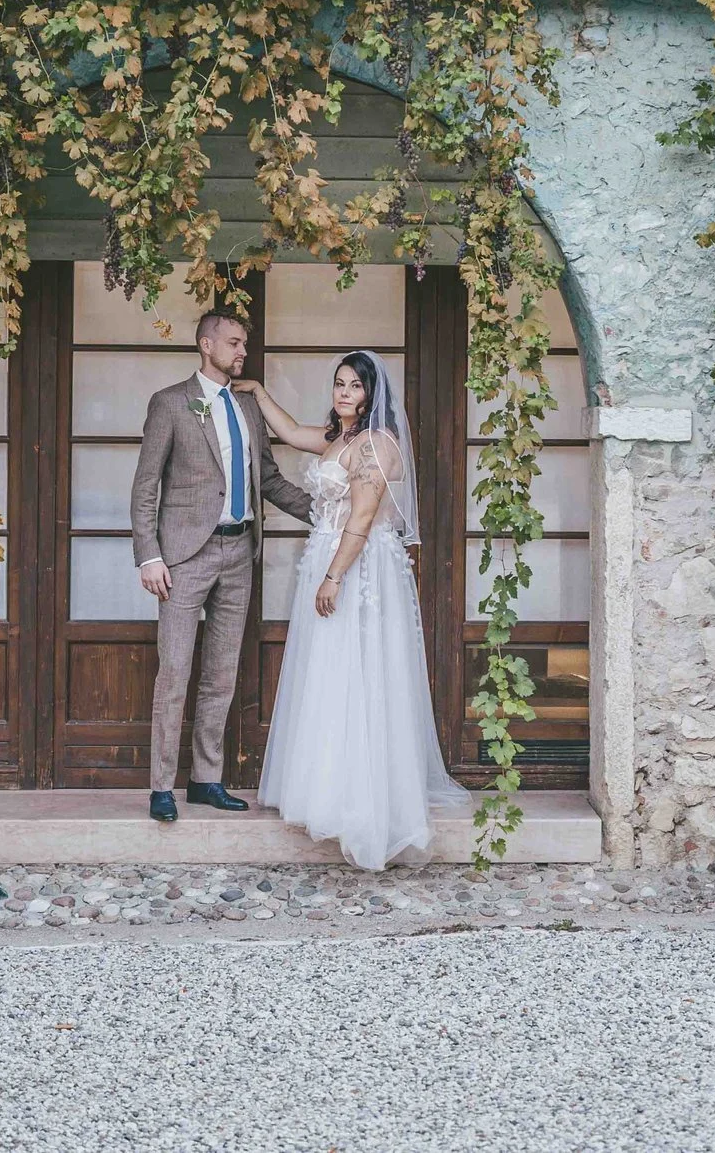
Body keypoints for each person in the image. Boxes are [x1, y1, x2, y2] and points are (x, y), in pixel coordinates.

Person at [238, 352, 467, 870]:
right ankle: (325, 789)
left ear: (371, 394)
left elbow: (362, 517)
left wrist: (335, 575)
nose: (344, 393)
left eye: (355, 387)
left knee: (361, 674)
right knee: (329, 674)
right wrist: (256, 392)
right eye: (339, 384)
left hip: (359, 567)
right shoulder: (337, 438)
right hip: (327, 555)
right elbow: (294, 433)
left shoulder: (377, 446)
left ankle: (363, 803)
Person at [129, 309, 314, 825]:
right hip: (184, 557)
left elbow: (271, 481)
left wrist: (328, 514)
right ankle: (161, 786)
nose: (241, 352)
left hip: (239, 555)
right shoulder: (169, 403)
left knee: (221, 675)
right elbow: (146, 487)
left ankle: (206, 780)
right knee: (175, 672)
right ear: (206, 345)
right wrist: (149, 555)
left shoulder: (249, 408)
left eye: (244, 345)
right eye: (233, 343)